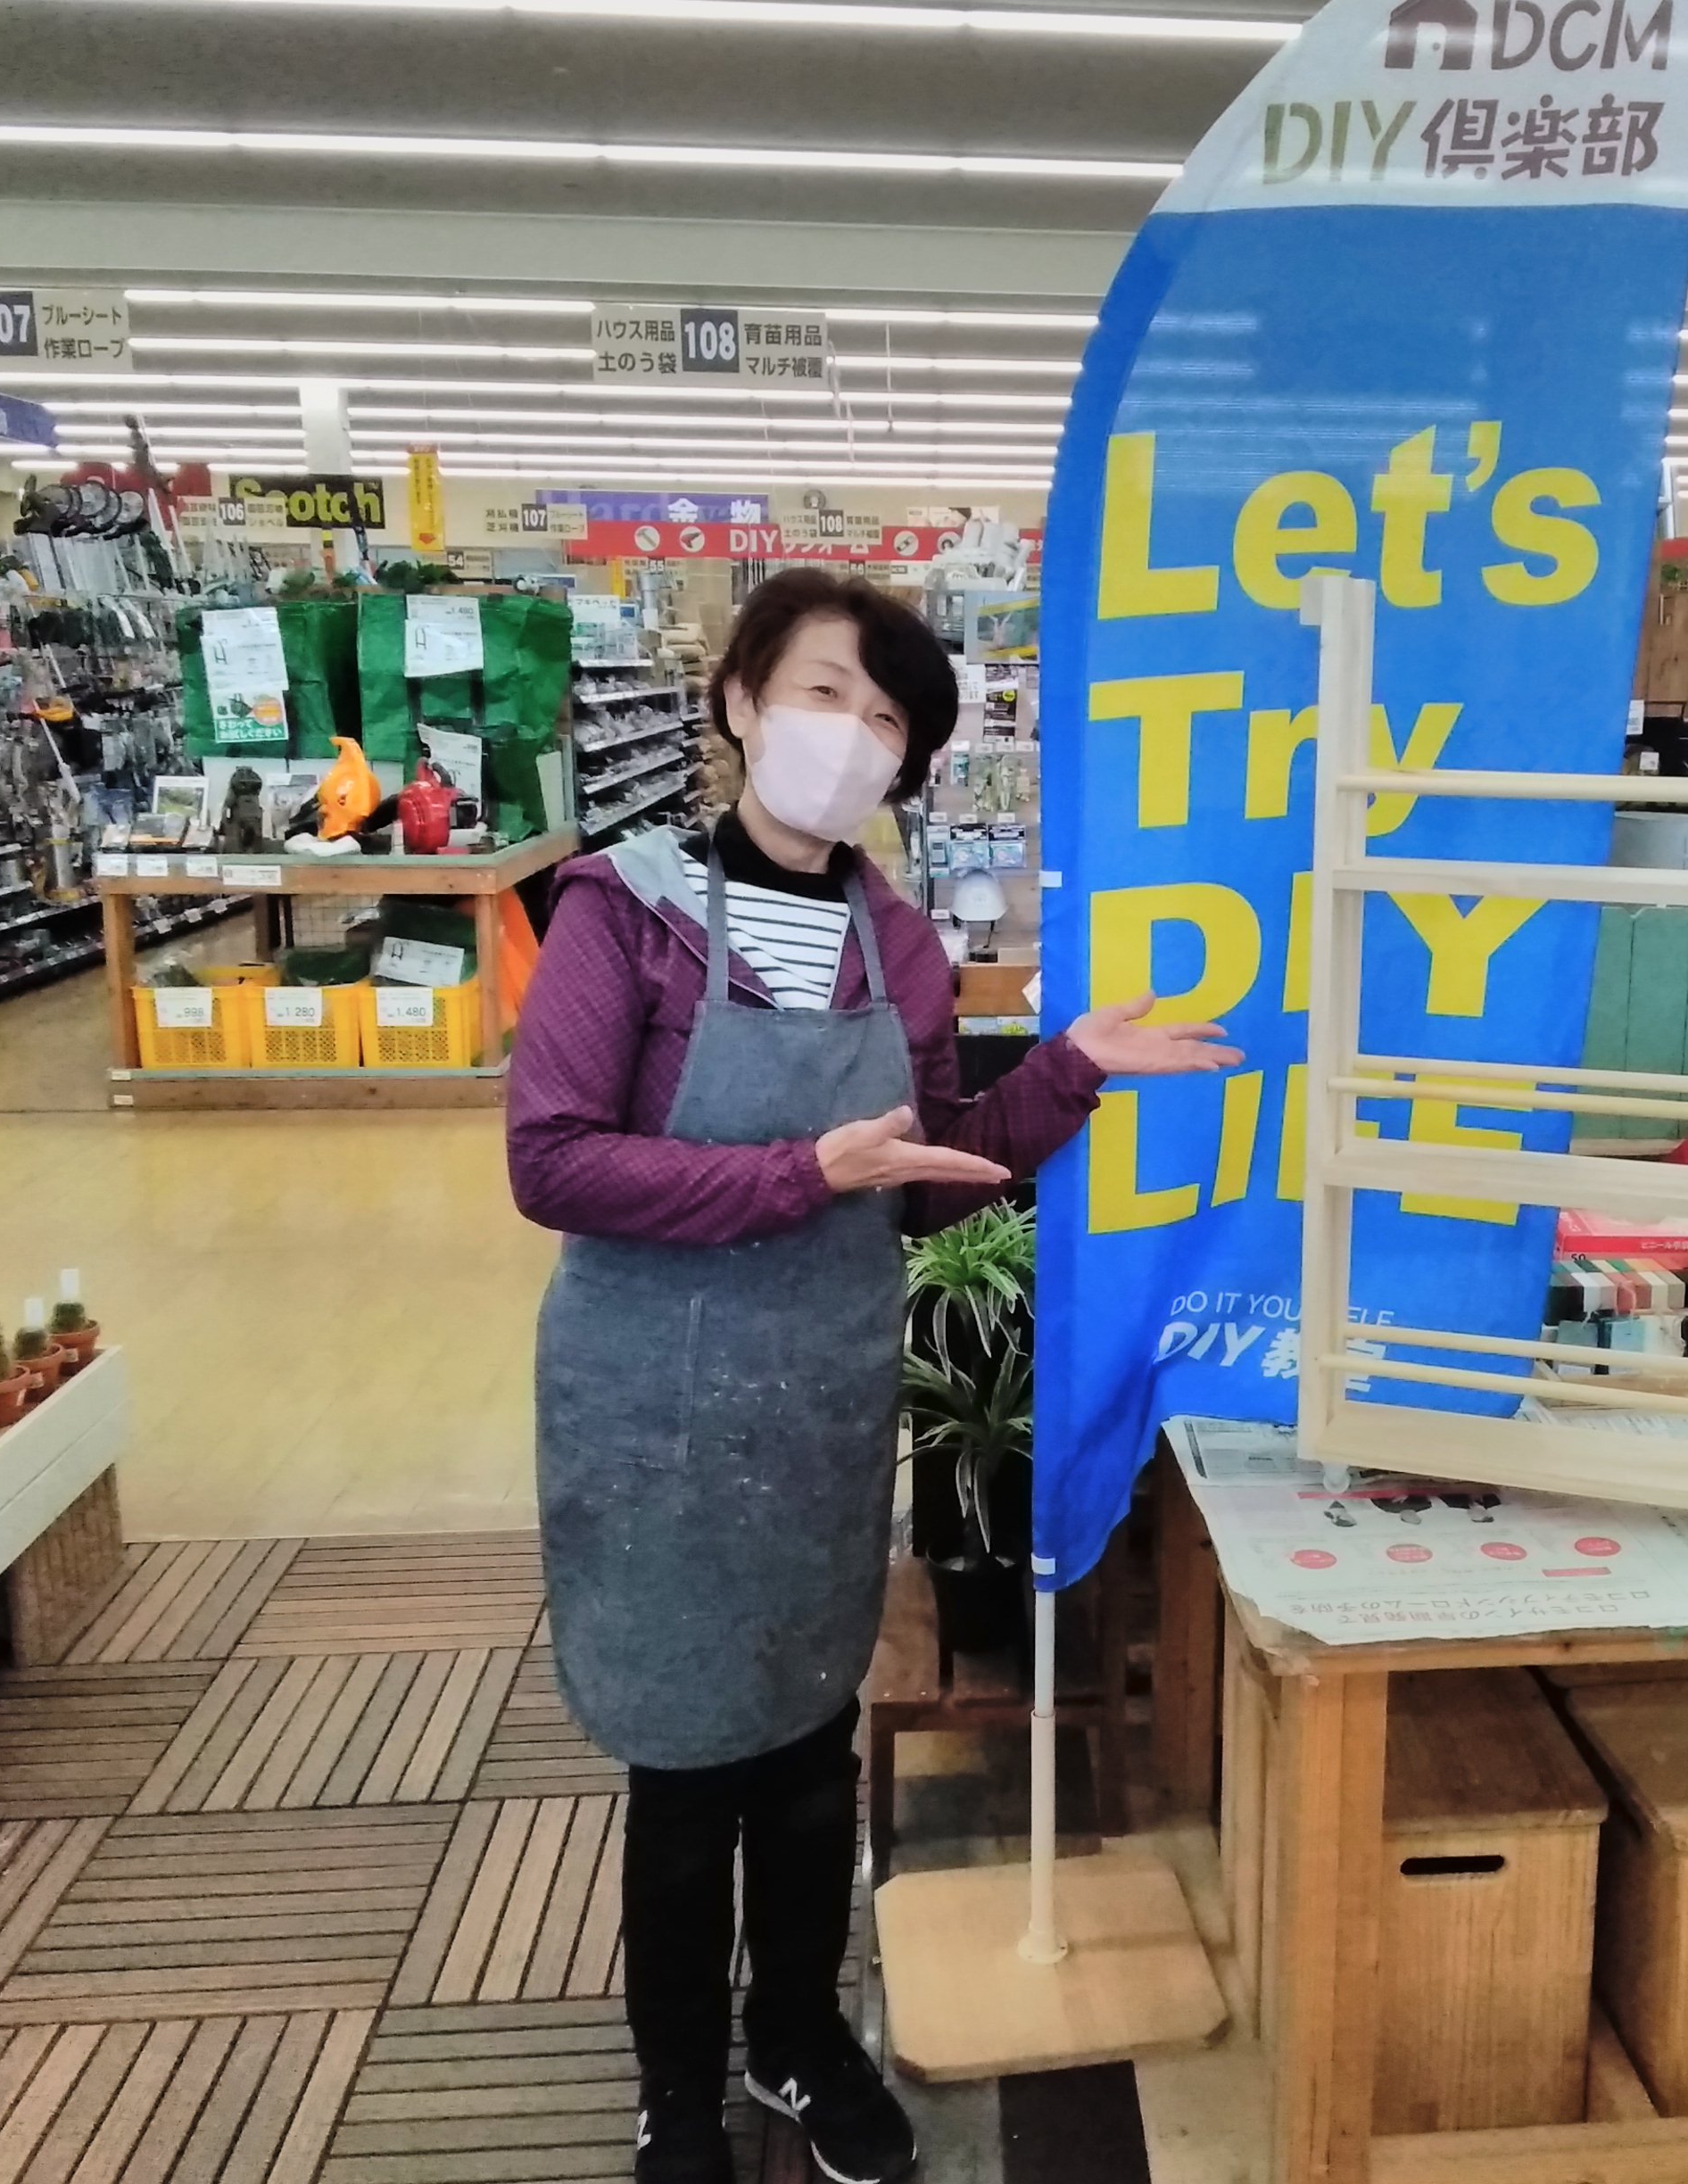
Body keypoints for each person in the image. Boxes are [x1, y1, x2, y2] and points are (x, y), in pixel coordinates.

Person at [507, 569, 1237, 2184]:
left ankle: (796, 2034)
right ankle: (676, 2088)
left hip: (818, 1398)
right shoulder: (619, 911)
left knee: (805, 1744)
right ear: (739, 703)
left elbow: (923, 1174)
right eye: (823, 692)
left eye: (888, 717)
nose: (851, 735)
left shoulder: (897, 946)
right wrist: (799, 1173)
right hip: (650, 1401)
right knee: (685, 1765)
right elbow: (551, 1162)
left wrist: (1067, 1072)